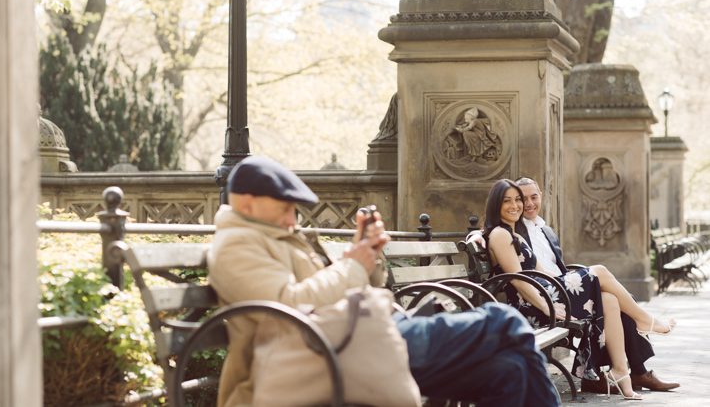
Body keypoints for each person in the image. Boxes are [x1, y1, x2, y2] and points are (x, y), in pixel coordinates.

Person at [208, 155, 561, 407]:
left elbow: (353, 284)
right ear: (249, 203)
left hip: (357, 341)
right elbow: (288, 306)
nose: (292, 217)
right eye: (285, 207)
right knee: (505, 321)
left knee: (508, 371)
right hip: (325, 355)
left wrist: (367, 253)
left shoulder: (277, 236)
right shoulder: (236, 245)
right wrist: (352, 266)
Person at [480, 179, 676, 400]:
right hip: (531, 305)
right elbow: (518, 280)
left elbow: (543, 272)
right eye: (508, 201)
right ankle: (645, 320)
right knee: (598, 271)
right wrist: (547, 305)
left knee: (610, 299)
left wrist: (567, 282)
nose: (516, 205)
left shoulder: (513, 235)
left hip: (546, 290)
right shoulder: (500, 234)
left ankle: (621, 374)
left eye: (518, 200)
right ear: (496, 204)